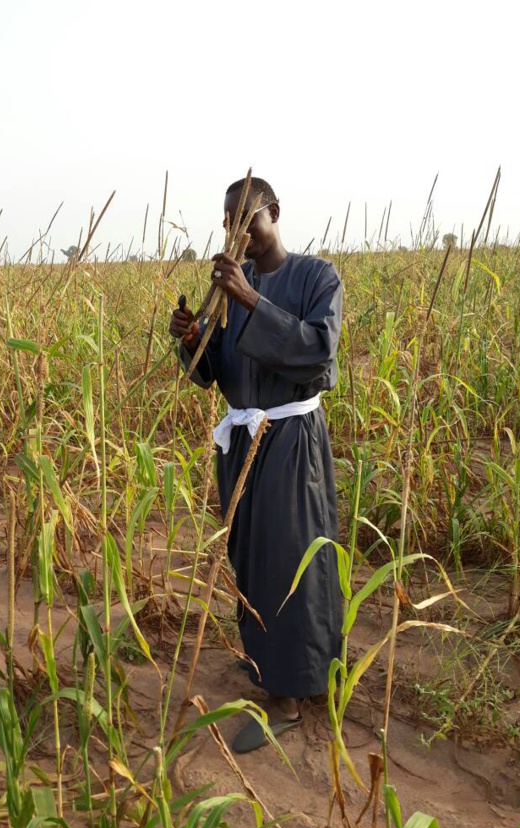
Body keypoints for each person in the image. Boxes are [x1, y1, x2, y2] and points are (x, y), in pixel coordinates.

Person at [169, 178, 343, 753]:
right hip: (242, 441)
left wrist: (249, 299)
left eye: (246, 217)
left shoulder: (316, 277)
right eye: (228, 221)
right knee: (249, 556)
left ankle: (291, 696)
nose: (237, 231)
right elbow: (216, 370)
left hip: (289, 441)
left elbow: (318, 351)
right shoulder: (232, 287)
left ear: (274, 213)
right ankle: (268, 664)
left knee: (288, 558)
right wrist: (192, 338)